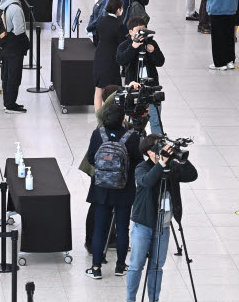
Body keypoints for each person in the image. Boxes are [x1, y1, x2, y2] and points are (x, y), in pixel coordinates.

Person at [125, 132, 198, 301]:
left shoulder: (172, 166)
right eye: (160, 147)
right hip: (143, 224)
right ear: (150, 152)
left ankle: (154, 299)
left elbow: (192, 175)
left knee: (157, 266)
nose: (165, 150)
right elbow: (147, 181)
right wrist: (161, 164)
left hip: (163, 225)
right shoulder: (142, 167)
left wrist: (181, 158)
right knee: (136, 266)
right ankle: (130, 299)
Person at [84, 102, 141, 280]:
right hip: (124, 189)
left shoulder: (97, 134)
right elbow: (138, 162)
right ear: (123, 118)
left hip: (101, 189)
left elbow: (92, 158)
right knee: (123, 228)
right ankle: (120, 266)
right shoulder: (132, 137)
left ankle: (96, 268)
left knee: (100, 228)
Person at [0, 0, 30, 113]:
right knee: (14, 75)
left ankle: (8, 102)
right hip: (14, 45)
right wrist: (26, 43)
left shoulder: (6, 4)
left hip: (7, 45)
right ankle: (11, 104)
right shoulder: (16, 8)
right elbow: (19, 31)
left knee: (7, 74)